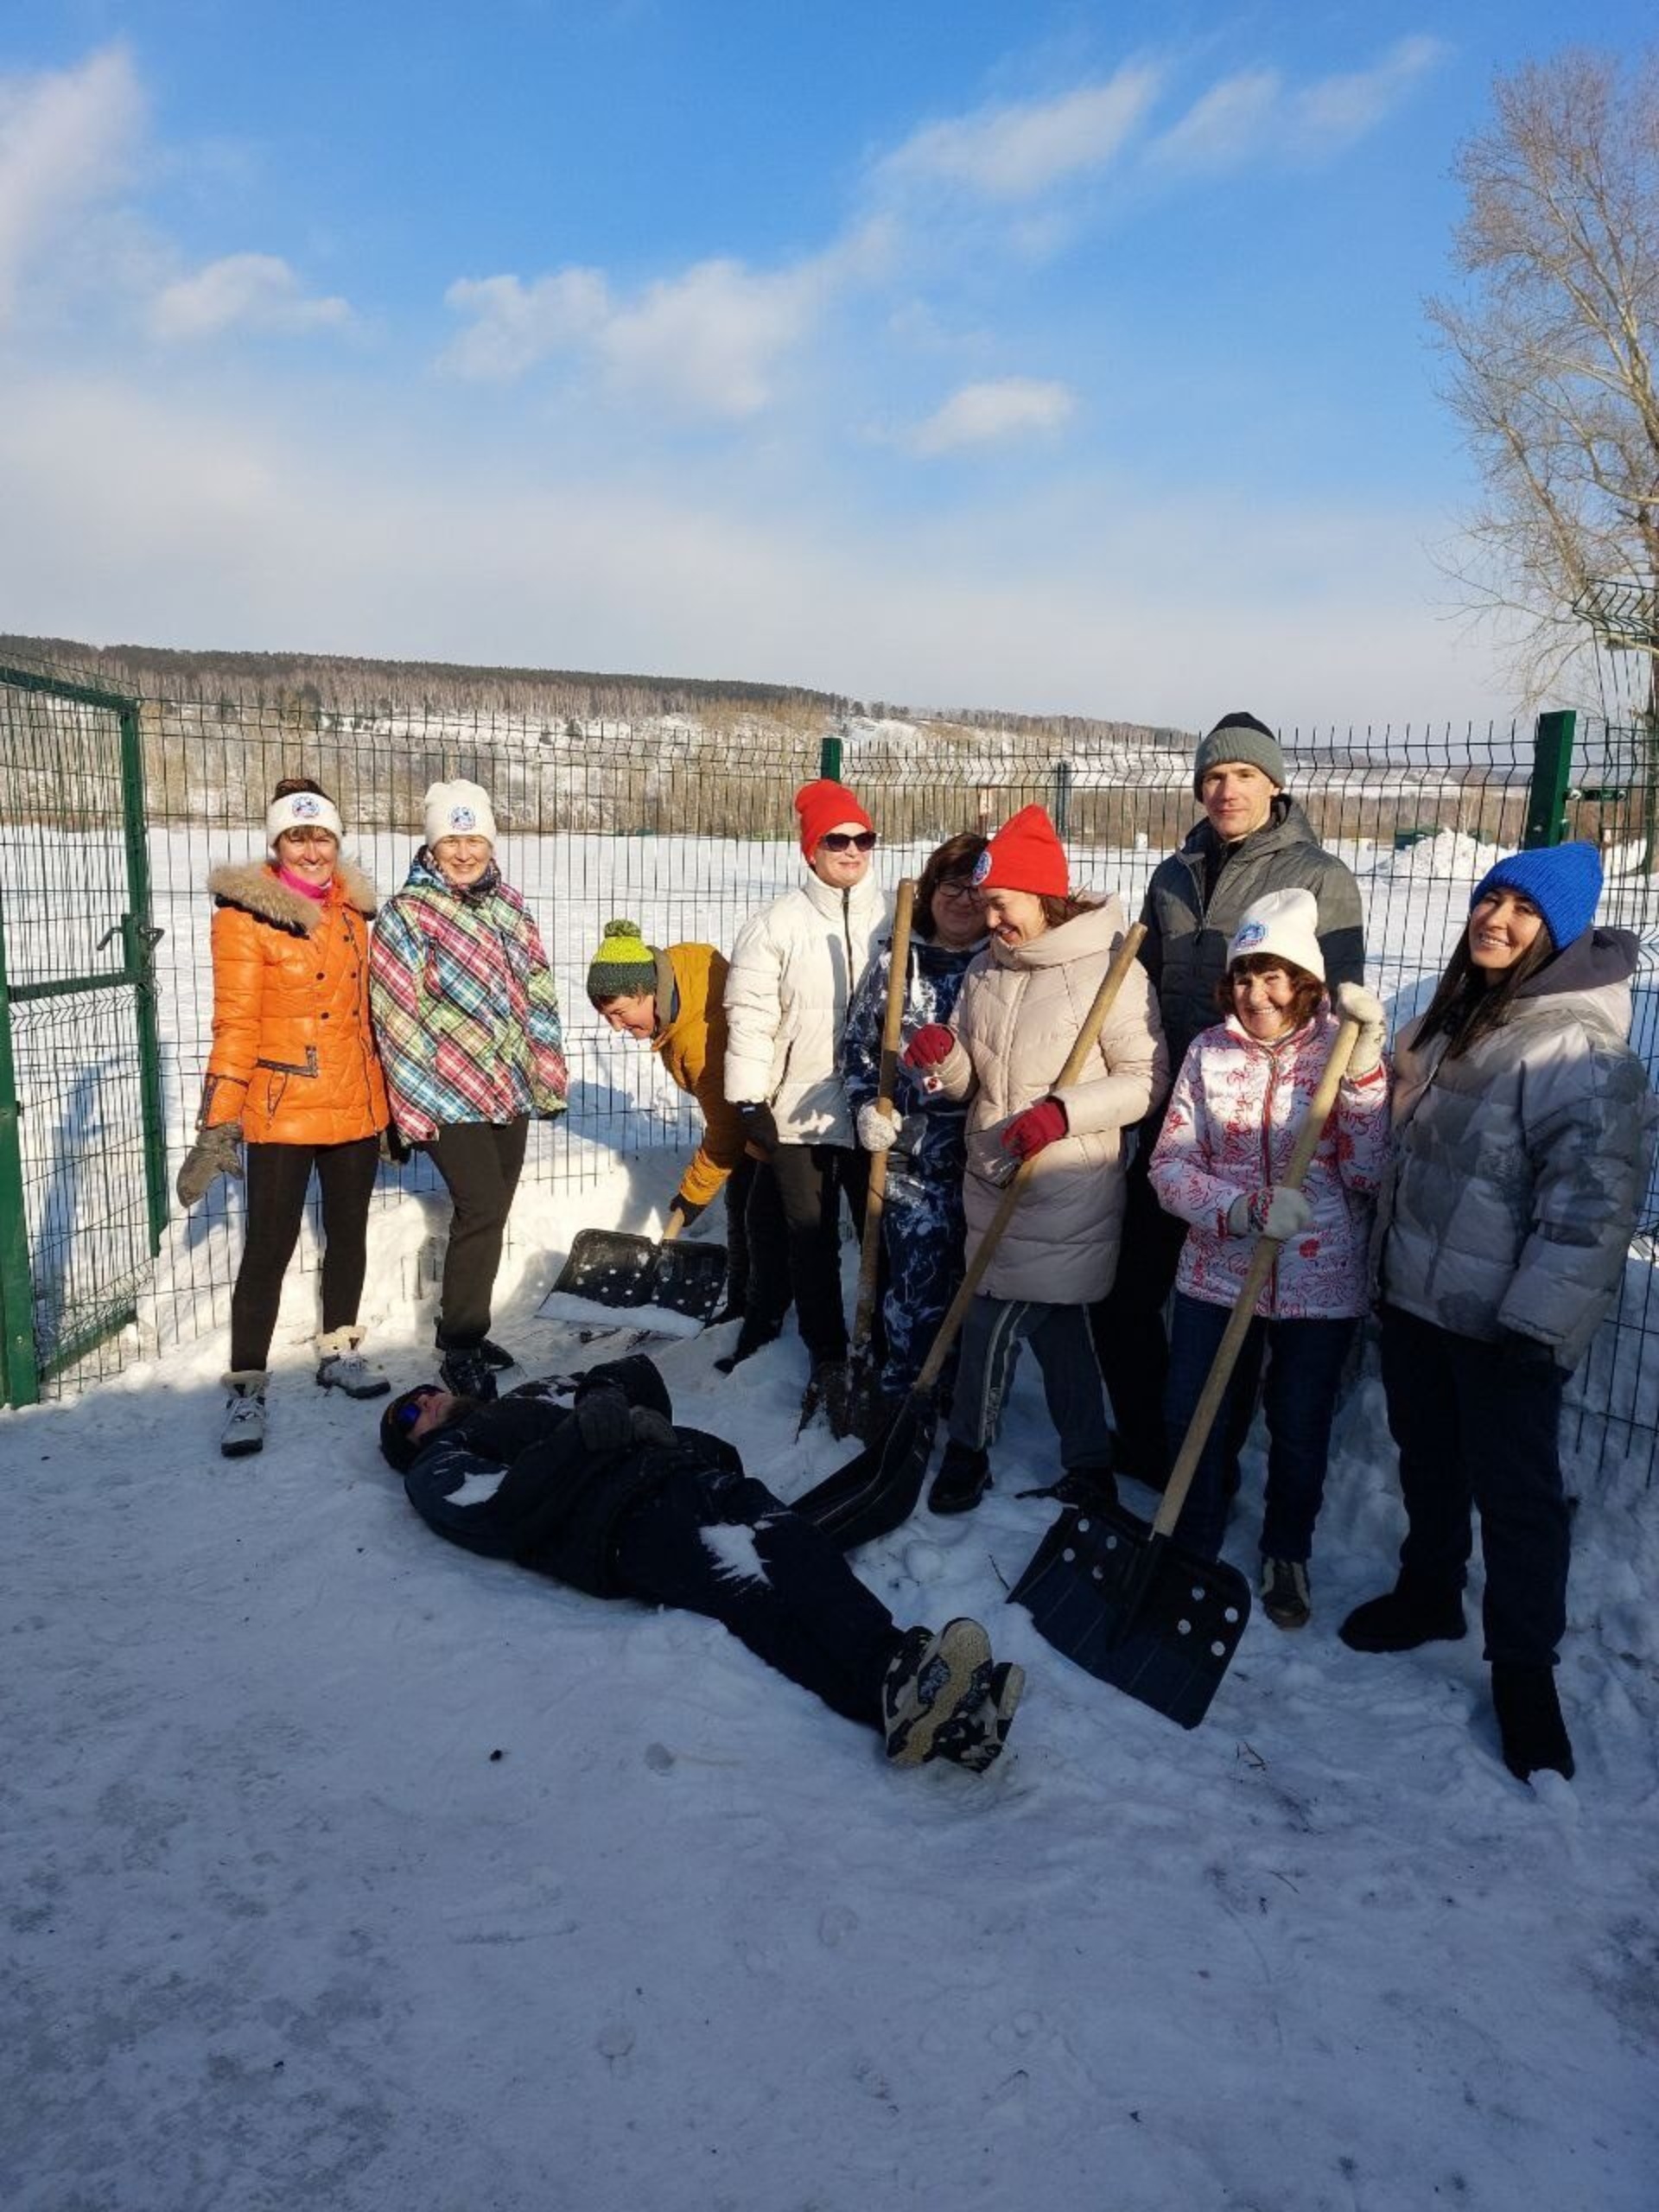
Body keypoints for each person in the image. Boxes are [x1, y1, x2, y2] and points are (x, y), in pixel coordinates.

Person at [1340, 842, 1655, 1783]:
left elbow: (1592, 1202)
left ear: (1557, 935)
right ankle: (1431, 1590)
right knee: (1428, 1459)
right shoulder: (1463, 1014)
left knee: (1518, 1498)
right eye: (1491, 898)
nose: (1496, 918)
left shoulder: (1577, 1047)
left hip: (1503, 1321)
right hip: (1419, 1295)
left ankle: (1524, 1672)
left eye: (1523, 909)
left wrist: (1534, 1326)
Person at [378, 1354, 1025, 1771]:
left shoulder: (522, 1401)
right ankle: (898, 1682)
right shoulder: (440, 1467)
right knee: (756, 1593)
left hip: (680, 1472)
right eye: (409, 1412)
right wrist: (589, 1432)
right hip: (618, 1525)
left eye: (425, 1391)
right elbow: (498, 1512)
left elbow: (635, 1372)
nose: (426, 1400)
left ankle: (937, 1709)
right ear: (409, 1445)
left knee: (796, 1547)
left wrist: (608, 1400)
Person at [1096, 710, 1367, 1489]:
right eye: (1214, 775)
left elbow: (1337, 1010)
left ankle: (1211, 1467)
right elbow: (1139, 993)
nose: (1226, 789)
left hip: (1269, 1132)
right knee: (1126, 1298)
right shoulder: (1173, 875)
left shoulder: (1320, 877)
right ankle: (1157, 1447)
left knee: (1237, 1321)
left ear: (1275, 782)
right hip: (1175, 1115)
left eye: (1244, 774)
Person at [901, 805, 1167, 1515]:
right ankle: (1088, 1463)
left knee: (990, 1324)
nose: (990, 920)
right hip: (993, 1177)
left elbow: (1146, 1079)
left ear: (1042, 895)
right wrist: (942, 1058)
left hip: (1064, 1183)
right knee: (1059, 1332)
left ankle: (967, 1450)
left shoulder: (1109, 971)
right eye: (987, 906)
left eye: (1001, 904)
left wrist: (1064, 1113)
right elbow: (970, 1079)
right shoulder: (989, 970)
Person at [1147, 890, 1390, 1628]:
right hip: (1217, 1272)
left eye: (1275, 976)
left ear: (1306, 983)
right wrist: (1241, 1209)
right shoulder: (1207, 1053)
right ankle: (1194, 1532)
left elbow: (1368, 1173)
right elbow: (1168, 1166)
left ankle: (1288, 1548)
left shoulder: (1337, 1053)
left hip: (1320, 1281)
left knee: (1299, 1420)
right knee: (1197, 1410)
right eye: (1245, 976)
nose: (1256, 993)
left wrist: (1364, 1077)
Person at [175, 776, 392, 1458]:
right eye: (297, 837)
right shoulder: (243, 919)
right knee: (268, 1247)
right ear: (277, 843)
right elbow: (235, 1026)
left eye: (321, 836)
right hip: (282, 1106)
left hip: (354, 1101)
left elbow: (368, 1021)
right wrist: (218, 1122)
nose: (311, 850)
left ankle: (340, 1349)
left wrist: (388, 1106)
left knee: (349, 1232)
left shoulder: (355, 915)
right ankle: (247, 1387)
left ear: (336, 842)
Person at [370, 779, 567, 1400]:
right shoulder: (408, 914)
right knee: (481, 1206)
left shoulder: (510, 906)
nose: (463, 851)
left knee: (493, 1210)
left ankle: (466, 1330)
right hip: (446, 1092)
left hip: (508, 1086)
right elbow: (396, 1016)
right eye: (451, 839)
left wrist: (547, 1071)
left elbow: (536, 992)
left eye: (474, 837)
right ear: (432, 844)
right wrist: (412, 1107)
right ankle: (459, 1343)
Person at [721, 779, 888, 1397]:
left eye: (863, 838)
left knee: (881, 1235)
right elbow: (752, 1018)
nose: (852, 850)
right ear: (810, 849)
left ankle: (882, 1344)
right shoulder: (775, 926)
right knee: (811, 1242)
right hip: (799, 1112)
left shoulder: (896, 917)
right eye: (837, 839)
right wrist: (748, 1100)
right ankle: (827, 1350)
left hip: (875, 1108)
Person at [841, 831, 988, 1408]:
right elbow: (857, 1052)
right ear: (929, 892)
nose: (963, 900)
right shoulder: (896, 963)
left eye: (977, 888)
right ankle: (904, 1401)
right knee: (913, 1287)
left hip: (982, 1161)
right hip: (909, 1162)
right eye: (951, 886)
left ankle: (967, 1404)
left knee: (971, 1292)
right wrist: (865, 1110)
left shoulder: (1000, 966)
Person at [586, 918, 752, 1317]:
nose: (617, 1027)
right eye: (608, 1017)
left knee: (752, 1208)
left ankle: (751, 1309)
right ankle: (747, 1301)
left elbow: (727, 1131)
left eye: (621, 1013)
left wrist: (693, 1195)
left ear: (646, 992)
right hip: (749, 1117)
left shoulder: (699, 1042)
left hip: (769, 1123)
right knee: (745, 1202)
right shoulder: (680, 976)